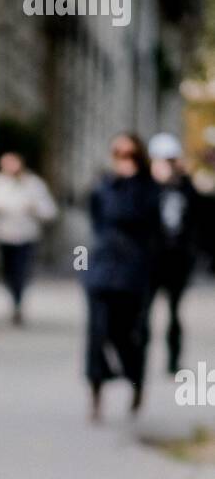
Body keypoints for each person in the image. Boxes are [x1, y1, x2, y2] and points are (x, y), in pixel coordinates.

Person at [83, 133, 161, 420]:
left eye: (129, 155)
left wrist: (130, 182)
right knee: (96, 334)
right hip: (102, 270)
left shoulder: (148, 189)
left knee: (128, 334)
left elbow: (138, 218)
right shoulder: (103, 186)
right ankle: (96, 392)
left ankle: (135, 380)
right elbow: (97, 219)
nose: (123, 160)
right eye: (118, 154)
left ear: (139, 158)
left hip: (134, 273)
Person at [0, 152, 57, 324]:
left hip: (26, 235)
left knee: (21, 271)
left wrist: (34, 208)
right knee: (8, 271)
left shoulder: (34, 184)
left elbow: (50, 211)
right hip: (3, 235)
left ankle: (18, 302)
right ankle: (14, 297)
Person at [143, 132, 201, 374]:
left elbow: (199, 219)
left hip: (177, 258)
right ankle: (139, 361)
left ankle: (173, 360)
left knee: (175, 312)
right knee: (142, 312)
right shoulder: (144, 187)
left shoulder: (186, 187)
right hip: (149, 259)